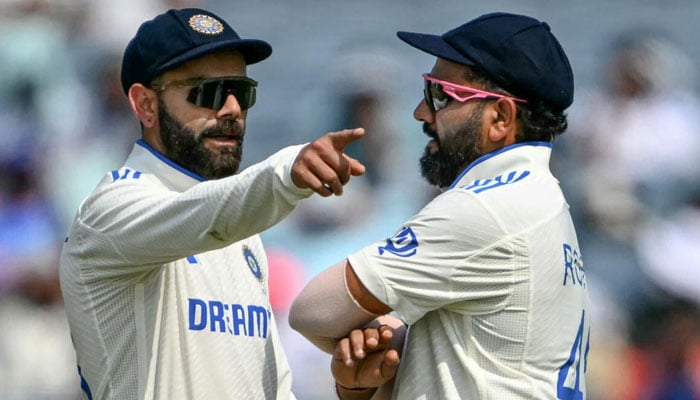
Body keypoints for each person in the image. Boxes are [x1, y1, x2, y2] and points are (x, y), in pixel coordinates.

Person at [58, 8, 367, 400]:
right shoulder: (111, 211)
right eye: (209, 92)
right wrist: (287, 172)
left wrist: (352, 390)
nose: (233, 110)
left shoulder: (243, 232)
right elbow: (201, 213)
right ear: (145, 105)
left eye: (243, 91)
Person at [289, 12, 591, 400]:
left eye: (442, 95)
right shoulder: (543, 201)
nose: (421, 112)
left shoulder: (486, 208)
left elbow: (313, 311)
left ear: (500, 117)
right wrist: (363, 379)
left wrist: (379, 330)